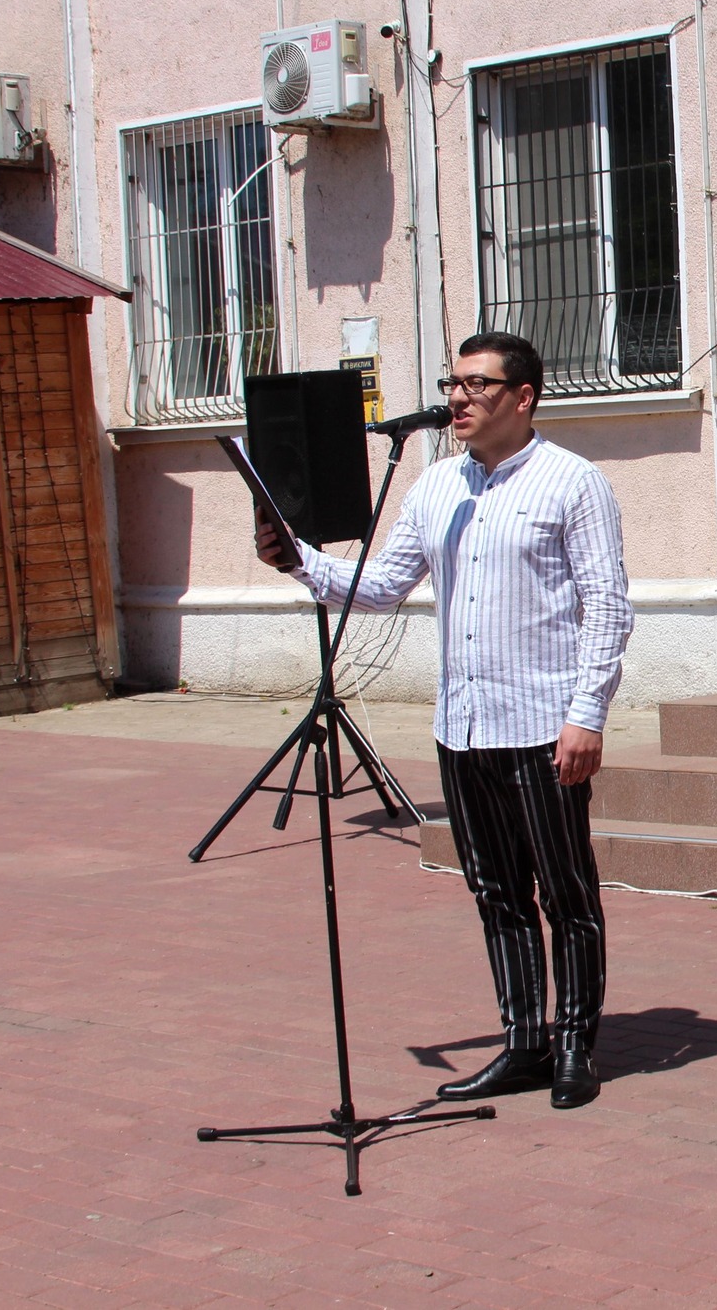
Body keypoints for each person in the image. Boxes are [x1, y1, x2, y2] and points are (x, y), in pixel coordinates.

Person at [255, 331, 634, 1109]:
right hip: (463, 729)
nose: (457, 398)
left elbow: (608, 607)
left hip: (543, 726)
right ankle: (523, 1041)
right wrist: (297, 560)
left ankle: (573, 1045)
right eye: (451, 382)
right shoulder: (434, 486)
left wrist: (586, 714)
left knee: (566, 893)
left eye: (475, 384)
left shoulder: (573, 483)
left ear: (522, 397)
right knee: (496, 890)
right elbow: (381, 584)